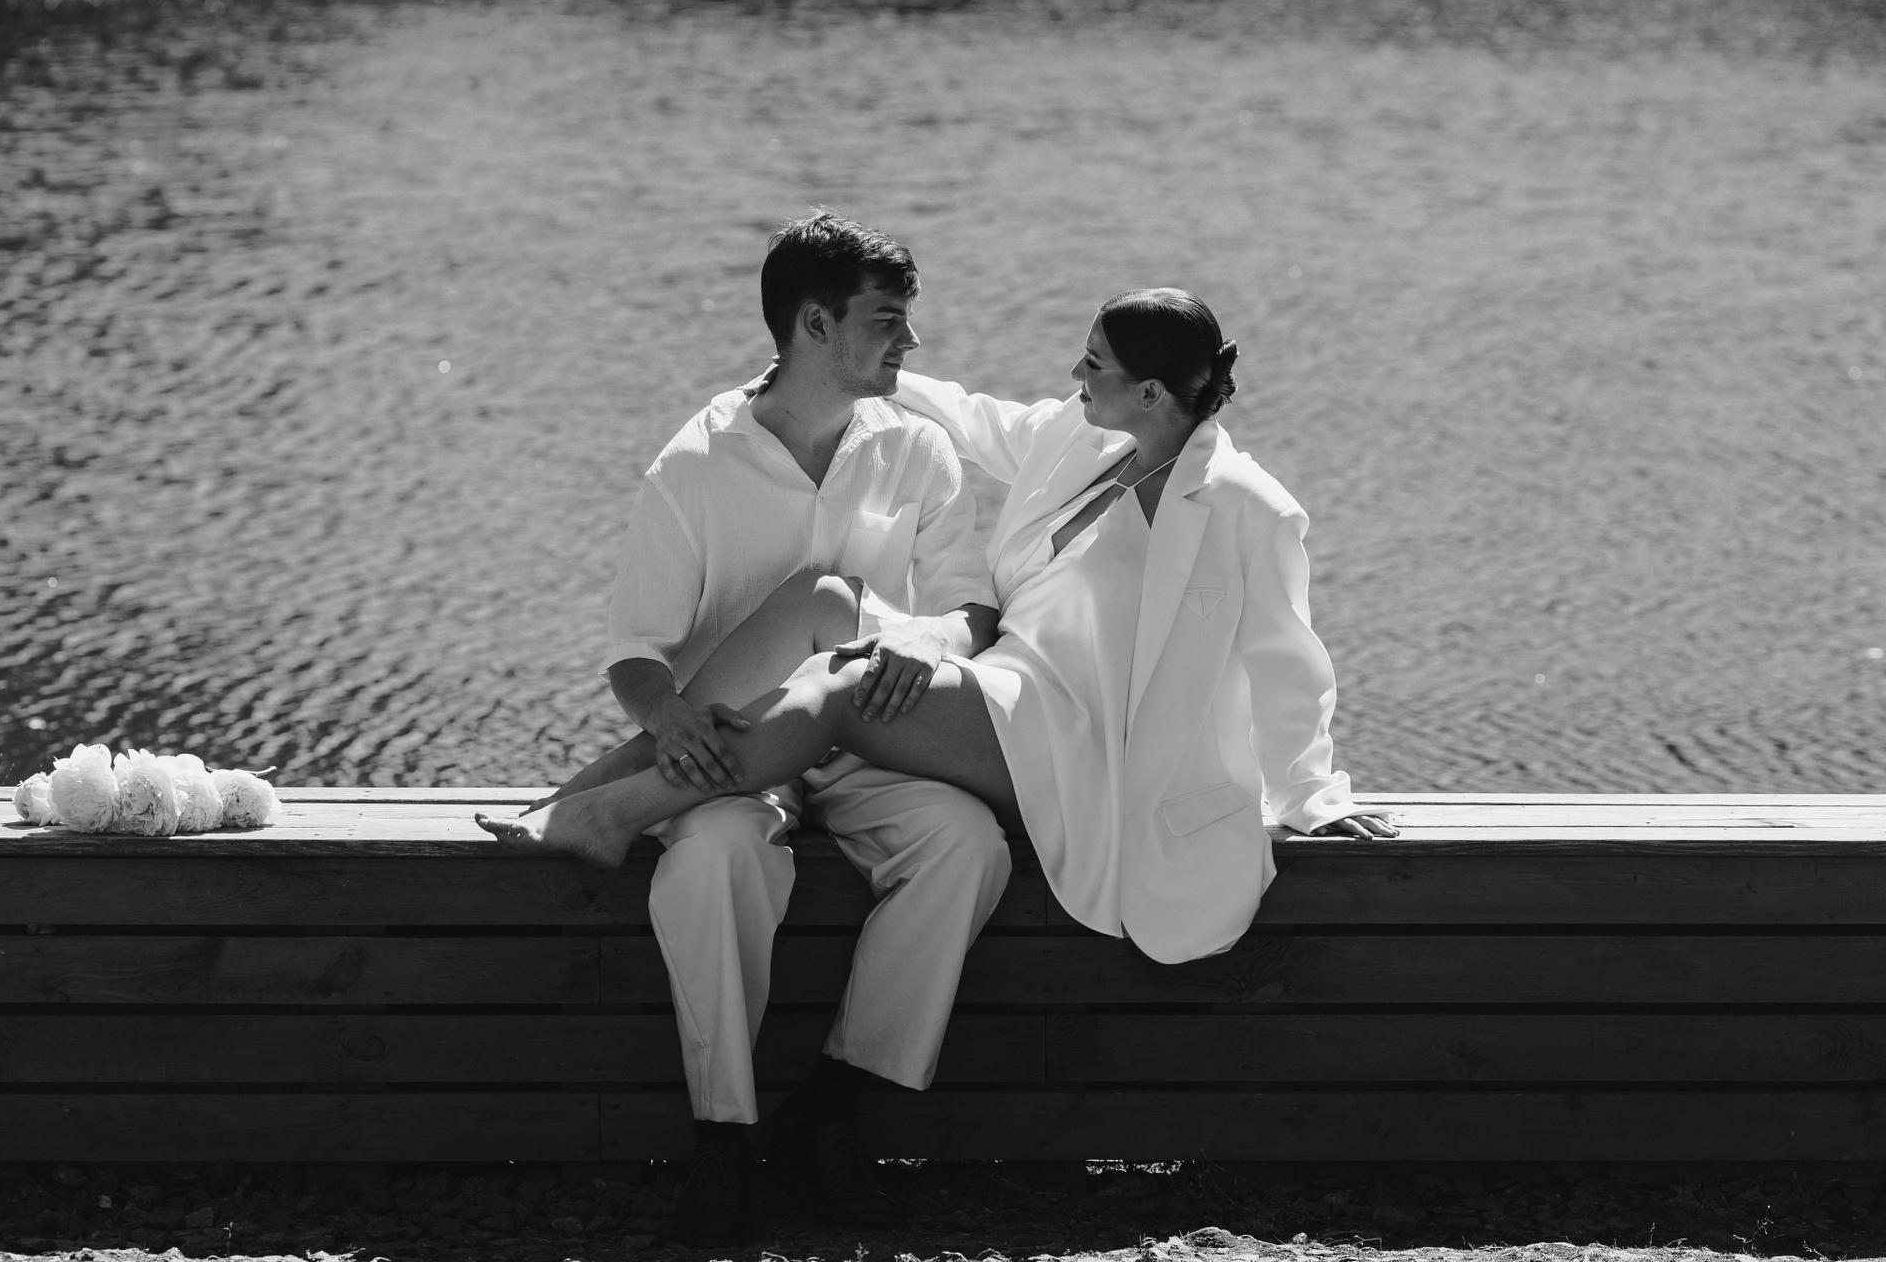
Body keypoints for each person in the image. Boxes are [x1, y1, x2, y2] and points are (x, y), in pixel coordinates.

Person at [482, 283, 1397, 1125]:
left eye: (1093, 364)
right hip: (1009, 694)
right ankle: (596, 786)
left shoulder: (1244, 506)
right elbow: (967, 412)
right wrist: (816, 370)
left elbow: (1288, 661)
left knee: (846, 681)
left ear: (1153, 393)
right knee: (822, 598)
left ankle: (618, 812)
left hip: (1085, 752)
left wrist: (1312, 797)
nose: (1073, 375)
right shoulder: (1083, 441)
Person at [534, 212, 1013, 1247]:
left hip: (872, 738)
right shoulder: (696, 461)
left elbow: (972, 609)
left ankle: (831, 1109)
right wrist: (670, 723)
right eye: (887, 319)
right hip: (732, 755)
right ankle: (724, 1138)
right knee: (712, 860)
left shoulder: (918, 448)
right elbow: (635, 654)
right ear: (813, 324)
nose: (912, 340)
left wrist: (920, 640)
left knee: (968, 845)